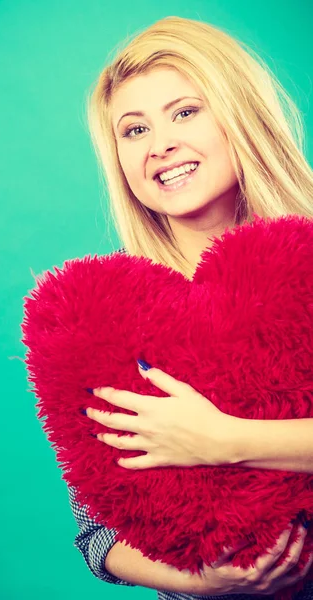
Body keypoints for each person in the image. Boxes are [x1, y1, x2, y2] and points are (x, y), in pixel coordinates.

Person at [67, 15, 313, 600]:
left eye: (184, 112)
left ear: (239, 116)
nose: (160, 145)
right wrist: (204, 580)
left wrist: (224, 439)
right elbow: (96, 532)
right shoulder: (108, 313)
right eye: (133, 130)